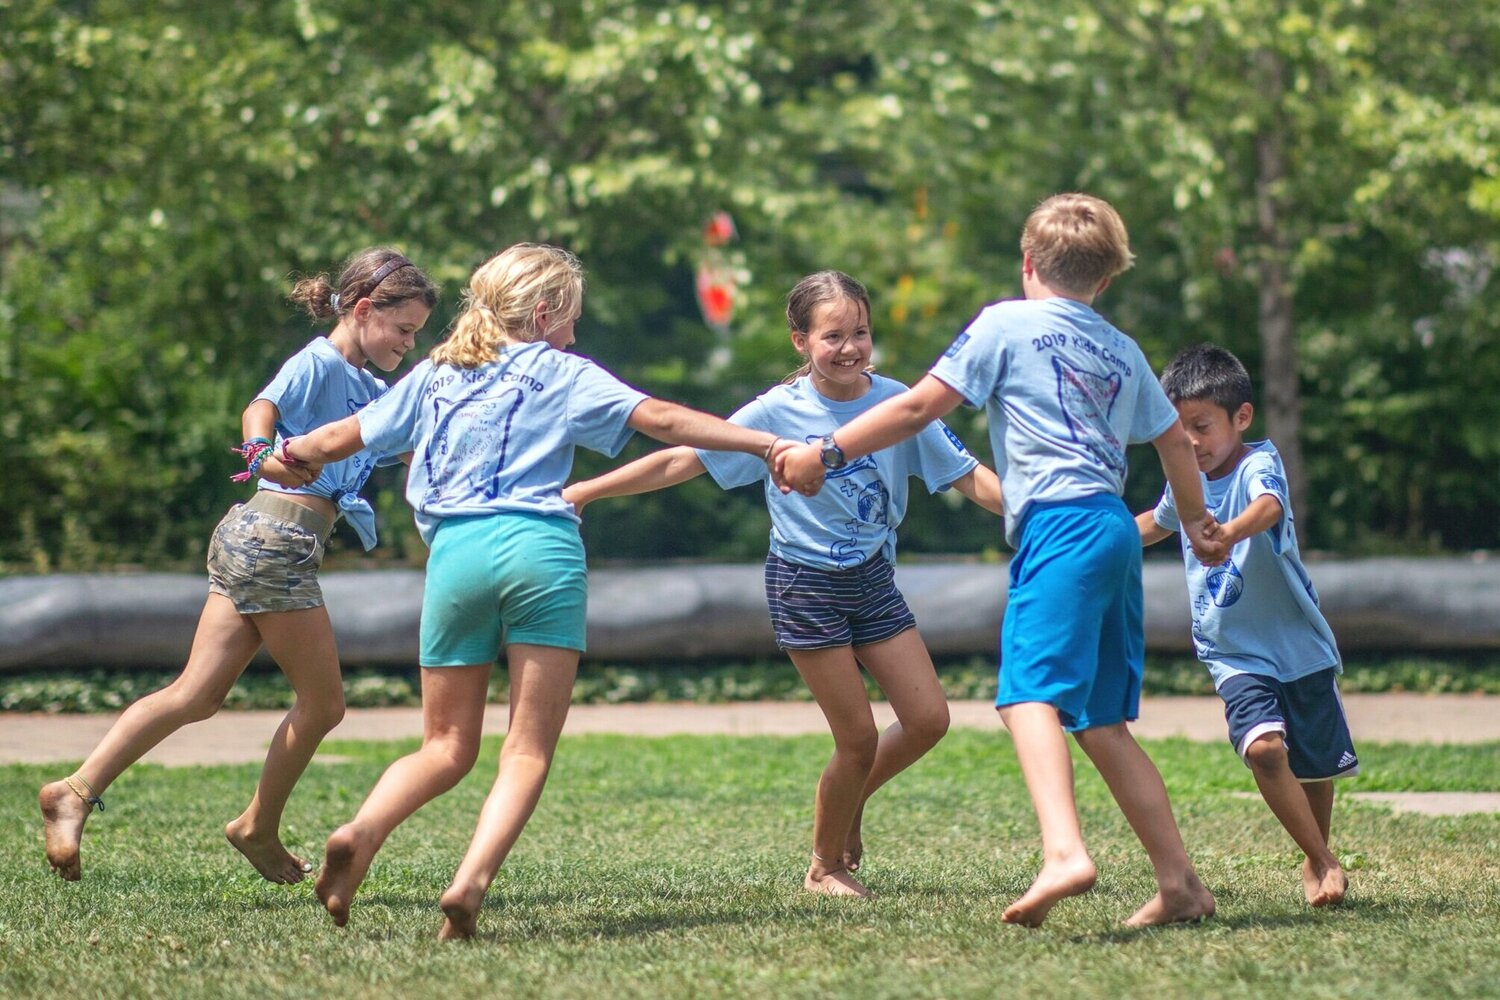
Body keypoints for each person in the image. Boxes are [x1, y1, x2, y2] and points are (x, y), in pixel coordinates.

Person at [281, 243, 797, 940]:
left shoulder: (436, 371)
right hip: (540, 549)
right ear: (546, 311)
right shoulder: (562, 371)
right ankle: (467, 884)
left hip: (456, 555)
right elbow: (666, 422)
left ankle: (363, 830)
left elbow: (341, 436)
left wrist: (287, 454)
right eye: (572, 319)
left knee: (444, 746)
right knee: (524, 750)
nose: (576, 336)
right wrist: (766, 444)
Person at [778, 194, 1225, 928]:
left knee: (1027, 698)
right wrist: (1198, 522)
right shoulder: (1119, 347)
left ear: (1026, 264)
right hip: (1113, 527)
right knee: (1103, 721)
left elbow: (920, 408)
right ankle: (1180, 884)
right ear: (1105, 279)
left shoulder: (1005, 324)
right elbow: (1175, 442)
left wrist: (827, 449)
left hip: (1059, 527)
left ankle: (1063, 854)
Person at [564, 270, 1003, 897]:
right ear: (800, 341)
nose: (850, 348)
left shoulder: (900, 402)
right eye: (832, 336)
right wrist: (588, 490)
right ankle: (825, 866)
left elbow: (967, 476)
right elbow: (679, 458)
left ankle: (843, 802)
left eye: (861, 332)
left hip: (874, 580)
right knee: (855, 738)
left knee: (929, 719)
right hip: (804, 584)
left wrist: (1041, 513)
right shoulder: (775, 411)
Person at [40, 248, 438, 884]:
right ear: (363, 311)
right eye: (404, 329)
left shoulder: (372, 388)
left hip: (255, 538)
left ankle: (73, 791)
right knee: (324, 703)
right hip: (275, 540)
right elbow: (262, 410)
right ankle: (256, 826)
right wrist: (262, 454)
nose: (410, 343)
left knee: (194, 695)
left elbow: (404, 449)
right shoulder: (319, 361)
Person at [1138, 343, 1353, 907]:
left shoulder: (1260, 461)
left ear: (1242, 418)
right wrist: (1090, 540)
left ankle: (1314, 855)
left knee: (1312, 765)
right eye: (1177, 429)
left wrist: (1227, 534)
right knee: (1263, 749)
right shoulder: (1183, 477)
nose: (1188, 442)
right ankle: (1327, 860)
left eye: (1201, 426)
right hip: (1231, 646)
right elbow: (1157, 524)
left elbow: (1269, 508)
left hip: (1298, 642)